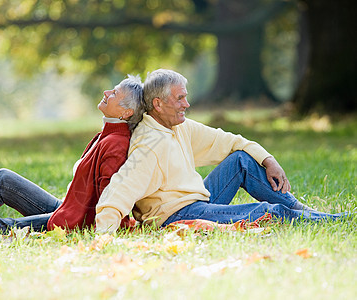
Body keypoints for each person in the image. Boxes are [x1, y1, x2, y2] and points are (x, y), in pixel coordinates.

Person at [95, 69, 347, 233]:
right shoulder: (150, 143)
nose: (187, 104)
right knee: (268, 213)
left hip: (198, 202)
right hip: (175, 216)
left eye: (186, 97)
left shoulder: (177, 126)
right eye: (180, 98)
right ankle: (334, 221)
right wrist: (104, 236)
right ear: (158, 104)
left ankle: (307, 213)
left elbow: (229, 141)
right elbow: (121, 188)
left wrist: (268, 159)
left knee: (241, 161)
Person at [0, 75, 145, 238]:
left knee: (0, 226)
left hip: (73, 223)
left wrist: (112, 231)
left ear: (126, 112)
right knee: (3, 180)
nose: (106, 92)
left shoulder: (115, 144)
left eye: (114, 93)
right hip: (68, 209)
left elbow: (110, 201)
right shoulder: (106, 134)